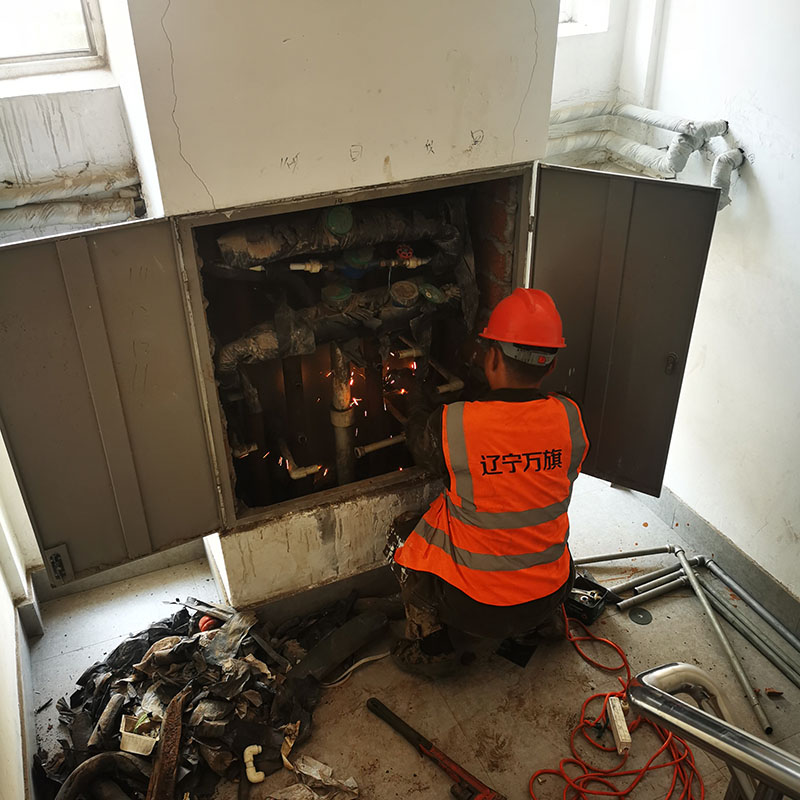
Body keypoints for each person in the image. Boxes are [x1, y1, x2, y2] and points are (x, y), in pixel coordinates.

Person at [387, 288, 589, 676]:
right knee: (541, 529)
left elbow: (419, 440)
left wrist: (417, 398)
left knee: (404, 532)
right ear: (550, 366)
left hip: (472, 610)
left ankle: (433, 646)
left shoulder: (453, 424)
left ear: (492, 357)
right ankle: (545, 622)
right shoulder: (569, 416)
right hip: (550, 593)